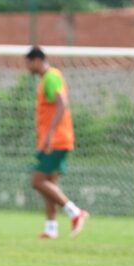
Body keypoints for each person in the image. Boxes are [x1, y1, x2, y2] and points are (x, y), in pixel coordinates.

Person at [25, 47, 89, 239]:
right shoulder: (49, 78)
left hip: (56, 139)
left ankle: (75, 212)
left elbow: (62, 102)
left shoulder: (51, 77)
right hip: (59, 138)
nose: (27, 67)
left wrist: (50, 135)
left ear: (36, 60)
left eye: (28, 63)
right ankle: (51, 229)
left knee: (38, 181)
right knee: (50, 184)